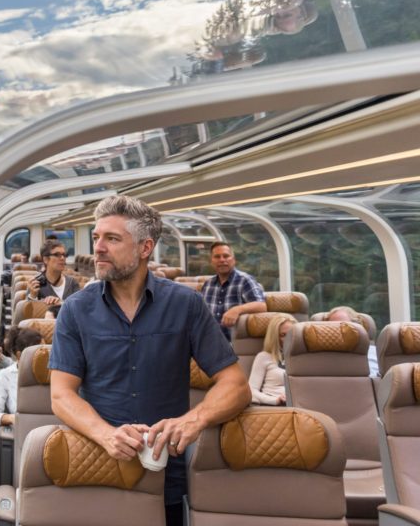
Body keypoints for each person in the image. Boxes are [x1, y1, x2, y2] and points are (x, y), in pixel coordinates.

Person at [49, 196, 250, 526]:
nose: (98, 247)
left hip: (167, 472)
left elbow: (236, 385)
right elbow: (61, 395)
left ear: (145, 248)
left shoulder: (185, 304)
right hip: (98, 467)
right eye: (97, 237)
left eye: (112, 239)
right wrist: (106, 435)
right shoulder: (75, 309)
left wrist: (193, 420)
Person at [200, 242, 267, 341]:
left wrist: (236, 310)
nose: (222, 260)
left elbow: (261, 306)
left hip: (236, 344)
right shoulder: (208, 284)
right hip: (211, 342)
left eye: (226, 256)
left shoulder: (245, 280)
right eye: (217, 257)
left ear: (234, 260)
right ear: (211, 261)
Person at [0, 328, 43, 427]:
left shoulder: (54, 373)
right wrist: (12, 418)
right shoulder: (5, 376)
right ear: (19, 355)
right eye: (40, 352)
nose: (46, 355)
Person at [248, 314, 296, 405]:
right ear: (275, 337)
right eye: (283, 335)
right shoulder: (264, 357)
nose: (288, 339)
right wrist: (275, 400)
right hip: (272, 405)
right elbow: (251, 390)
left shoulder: (303, 359)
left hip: (298, 406)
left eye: (291, 334)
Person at [326, 306, 378, 378]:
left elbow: (375, 379)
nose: (337, 330)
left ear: (358, 327)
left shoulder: (374, 352)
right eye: (332, 327)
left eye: (344, 326)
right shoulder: (322, 357)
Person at [27, 239, 80, 309]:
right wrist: (33, 296)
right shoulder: (35, 283)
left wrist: (61, 303)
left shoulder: (72, 283)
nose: (62, 258)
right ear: (46, 259)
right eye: (57, 255)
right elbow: (29, 314)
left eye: (64, 255)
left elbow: (79, 310)